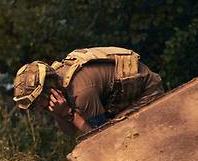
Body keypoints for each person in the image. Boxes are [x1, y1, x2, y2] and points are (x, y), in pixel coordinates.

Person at [13, 47, 164, 135]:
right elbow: (70, 133)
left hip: (147, 92)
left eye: (37, 102)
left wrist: (69, 114)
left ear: (48, 89)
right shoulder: (60, 83)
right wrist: (57, 112)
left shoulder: (81, 93)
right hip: (121, 100)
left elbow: (101, 138)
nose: (38, 108)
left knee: (124, 137)